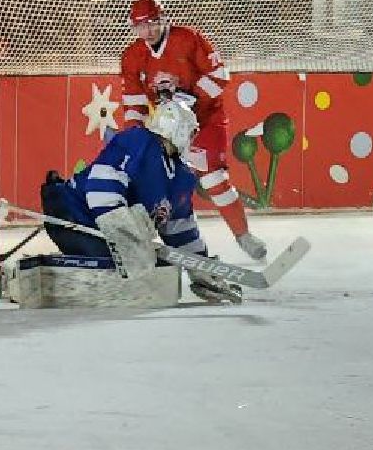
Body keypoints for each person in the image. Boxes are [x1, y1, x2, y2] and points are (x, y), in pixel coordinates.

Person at [38, 97, 242, 304]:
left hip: (102, 227)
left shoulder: (182, 176)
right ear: (178, 128)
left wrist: (200, 265)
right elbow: (101, 187)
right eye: (191, 132)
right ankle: (47, 278)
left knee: (156, 267)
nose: (192, 139)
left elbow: (180, 228)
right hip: (70, 214)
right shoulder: (137, 141)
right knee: (128, 267)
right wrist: (124, 231)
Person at [118, 0, 267, 261]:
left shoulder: (188, 39)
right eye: (140, 26)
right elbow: (134, 102)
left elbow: (219, 76)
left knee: (212, 178)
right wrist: (135, 134)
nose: (147, 31)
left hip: (206, 120)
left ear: (163, 19)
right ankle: (172, 246)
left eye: (152, 23)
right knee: (157, 182)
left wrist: (191, 99)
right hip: (167, 127)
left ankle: (244, 236)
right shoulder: (132, 56)